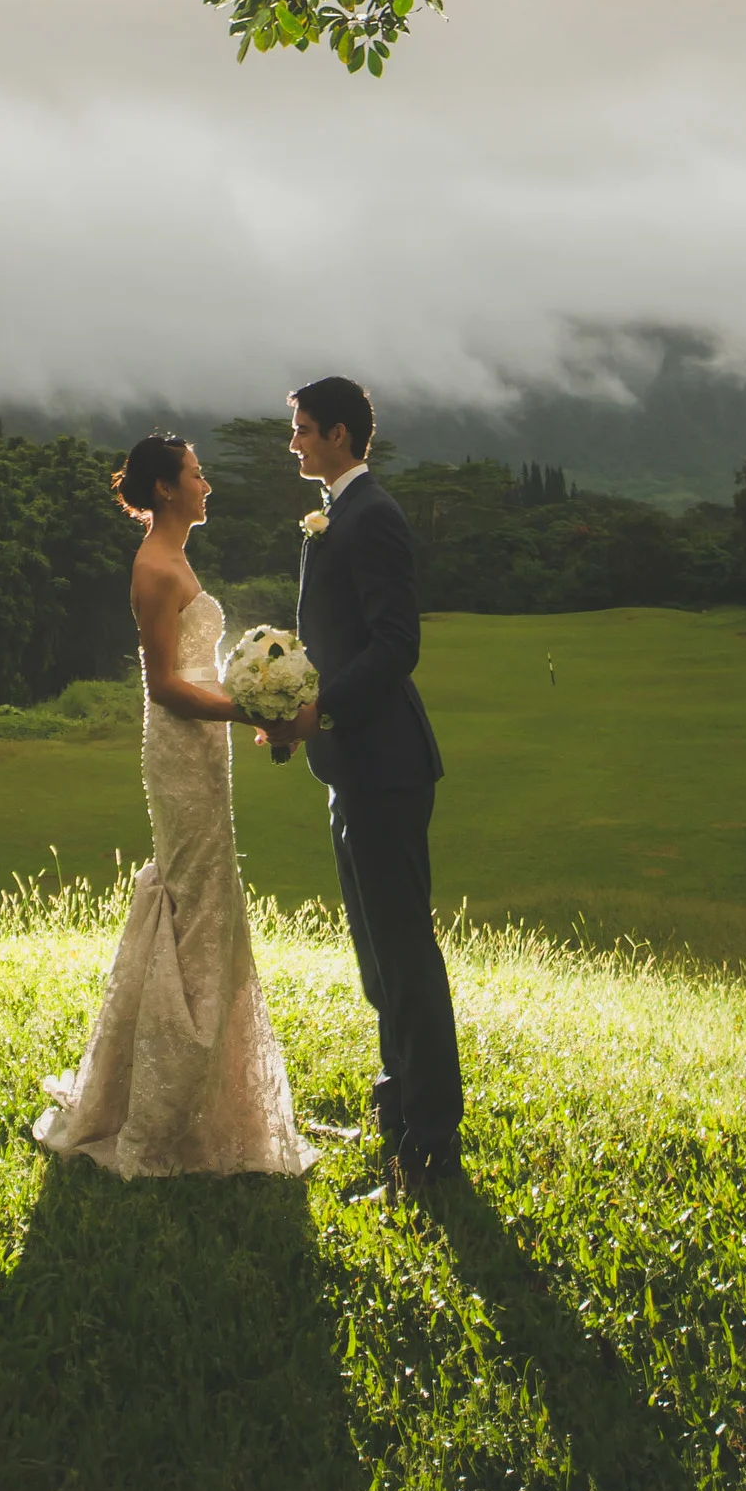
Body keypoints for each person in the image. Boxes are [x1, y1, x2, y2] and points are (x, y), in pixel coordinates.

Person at [32, 432, 314, 1177]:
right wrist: (251, 709)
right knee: (193, 898)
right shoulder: (156, 567)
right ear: (165, 489)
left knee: (206, 895)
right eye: (195, 474)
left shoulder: (177, 556)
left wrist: (247, 695)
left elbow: (193, 670)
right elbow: (163, 684)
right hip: (182, 747)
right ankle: (163, 1107)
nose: (206, 485)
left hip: (202, 747)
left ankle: (207, 1088)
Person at [264, 376, 465, 1190]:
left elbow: (395, 643)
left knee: (406, 957)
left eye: (305, 429)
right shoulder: (336, 515)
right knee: (378, 958)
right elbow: (335, 638)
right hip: (352, 770)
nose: (295, 443)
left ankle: (431, 1148)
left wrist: (324, 711)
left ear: (341, 435)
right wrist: (289, 696)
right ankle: (397, 1114)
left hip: (385, 766)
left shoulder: (372, 515)